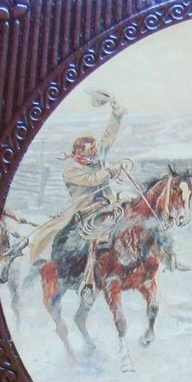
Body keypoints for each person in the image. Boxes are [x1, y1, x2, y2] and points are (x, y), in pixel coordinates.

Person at [29, 100, 127, 276]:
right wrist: (109, 172)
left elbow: (108, 138)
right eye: (92, 150)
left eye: (95, 149)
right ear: (81, 152)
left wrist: (117, 116)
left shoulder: (96, 157)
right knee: (66, 230)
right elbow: (92, 180)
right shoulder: (71, 171)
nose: (96, 151)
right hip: (83, 207)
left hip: (108, 202)